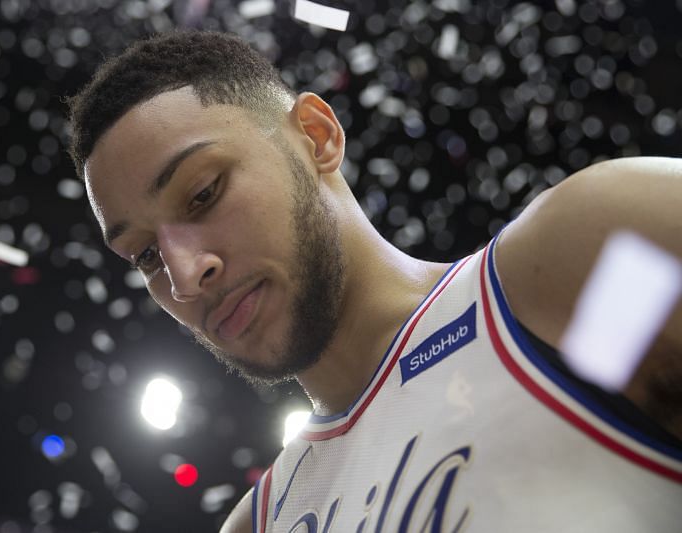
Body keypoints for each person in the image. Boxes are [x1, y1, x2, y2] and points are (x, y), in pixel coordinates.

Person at [67, 30, 682, 532]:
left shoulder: (580, 263)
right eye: (145, 255)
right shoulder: (261, 524)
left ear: (317, 136)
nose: (184, 274)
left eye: (203, 193)